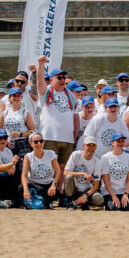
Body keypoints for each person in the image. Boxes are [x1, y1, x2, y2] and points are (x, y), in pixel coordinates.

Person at [33, 56, 79, 188]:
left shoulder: (70, 95)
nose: (62, 80)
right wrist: (40, 65)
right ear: (52, 80)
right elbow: (40, 82)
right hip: (50, 137)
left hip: (68, 138)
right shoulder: (46, 92)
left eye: (64, 77)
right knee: (51, 167)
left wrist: (75, 135)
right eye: (59, 77)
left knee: (64, 168)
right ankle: (50, 193)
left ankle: (60, 193)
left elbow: (75, 116)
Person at [21, 132, 62, 209]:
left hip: (48, 185)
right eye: (36, 142)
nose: (39, 144)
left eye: (41, 141)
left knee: (52, 195)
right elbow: (24, 175)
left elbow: (58, 172)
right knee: (21, 188)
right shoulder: (28, 156)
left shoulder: (51, 154)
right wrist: (25, 189)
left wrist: (54, 185)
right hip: (34, 184)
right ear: (31, 144)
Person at [64, 136, 104, 209]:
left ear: (96, 147)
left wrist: (85, 195)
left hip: (86, 189)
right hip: (74, 188)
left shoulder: (97, 162)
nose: (91, 148)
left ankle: (82, 201)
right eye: (88, 145)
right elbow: (66, 172)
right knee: (68, 177)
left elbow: (96, 185)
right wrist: (82, 174)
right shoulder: (76, 155)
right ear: (83, 146)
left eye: (93, 145)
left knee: (99, 199)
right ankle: (70, 201)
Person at [98, 131, 129, 210]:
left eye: (122, 141)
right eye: (118, 141)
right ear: (112, 143)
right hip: (109, 192)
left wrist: (125, 194)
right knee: (114, 208)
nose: (120, 143)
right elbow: (105, 179)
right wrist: (114, 196)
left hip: (123, 191)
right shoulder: (105, 158)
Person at [0, 129, 21, 208]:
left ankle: (10, 200)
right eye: (0, 138)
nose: (3, 140)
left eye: (5, 138)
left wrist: (3, 169)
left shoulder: (8, 151)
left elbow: (12, 171)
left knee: (16, 176)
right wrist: (11, 164)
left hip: (4, 176)